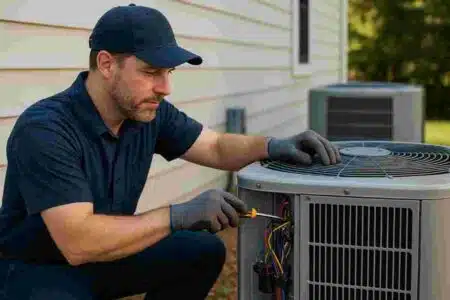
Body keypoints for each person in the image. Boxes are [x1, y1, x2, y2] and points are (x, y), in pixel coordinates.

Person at [0, 4, 341, 300]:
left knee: (202, 252)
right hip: (35, 267)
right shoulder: (45, 129)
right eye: (151, 72)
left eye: (168, 72)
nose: (165, 88)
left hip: (101, 258)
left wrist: (273, 146)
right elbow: (78, 242)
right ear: (106, 64)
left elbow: (216, 146)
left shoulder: (146, 111)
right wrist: (176, 216)